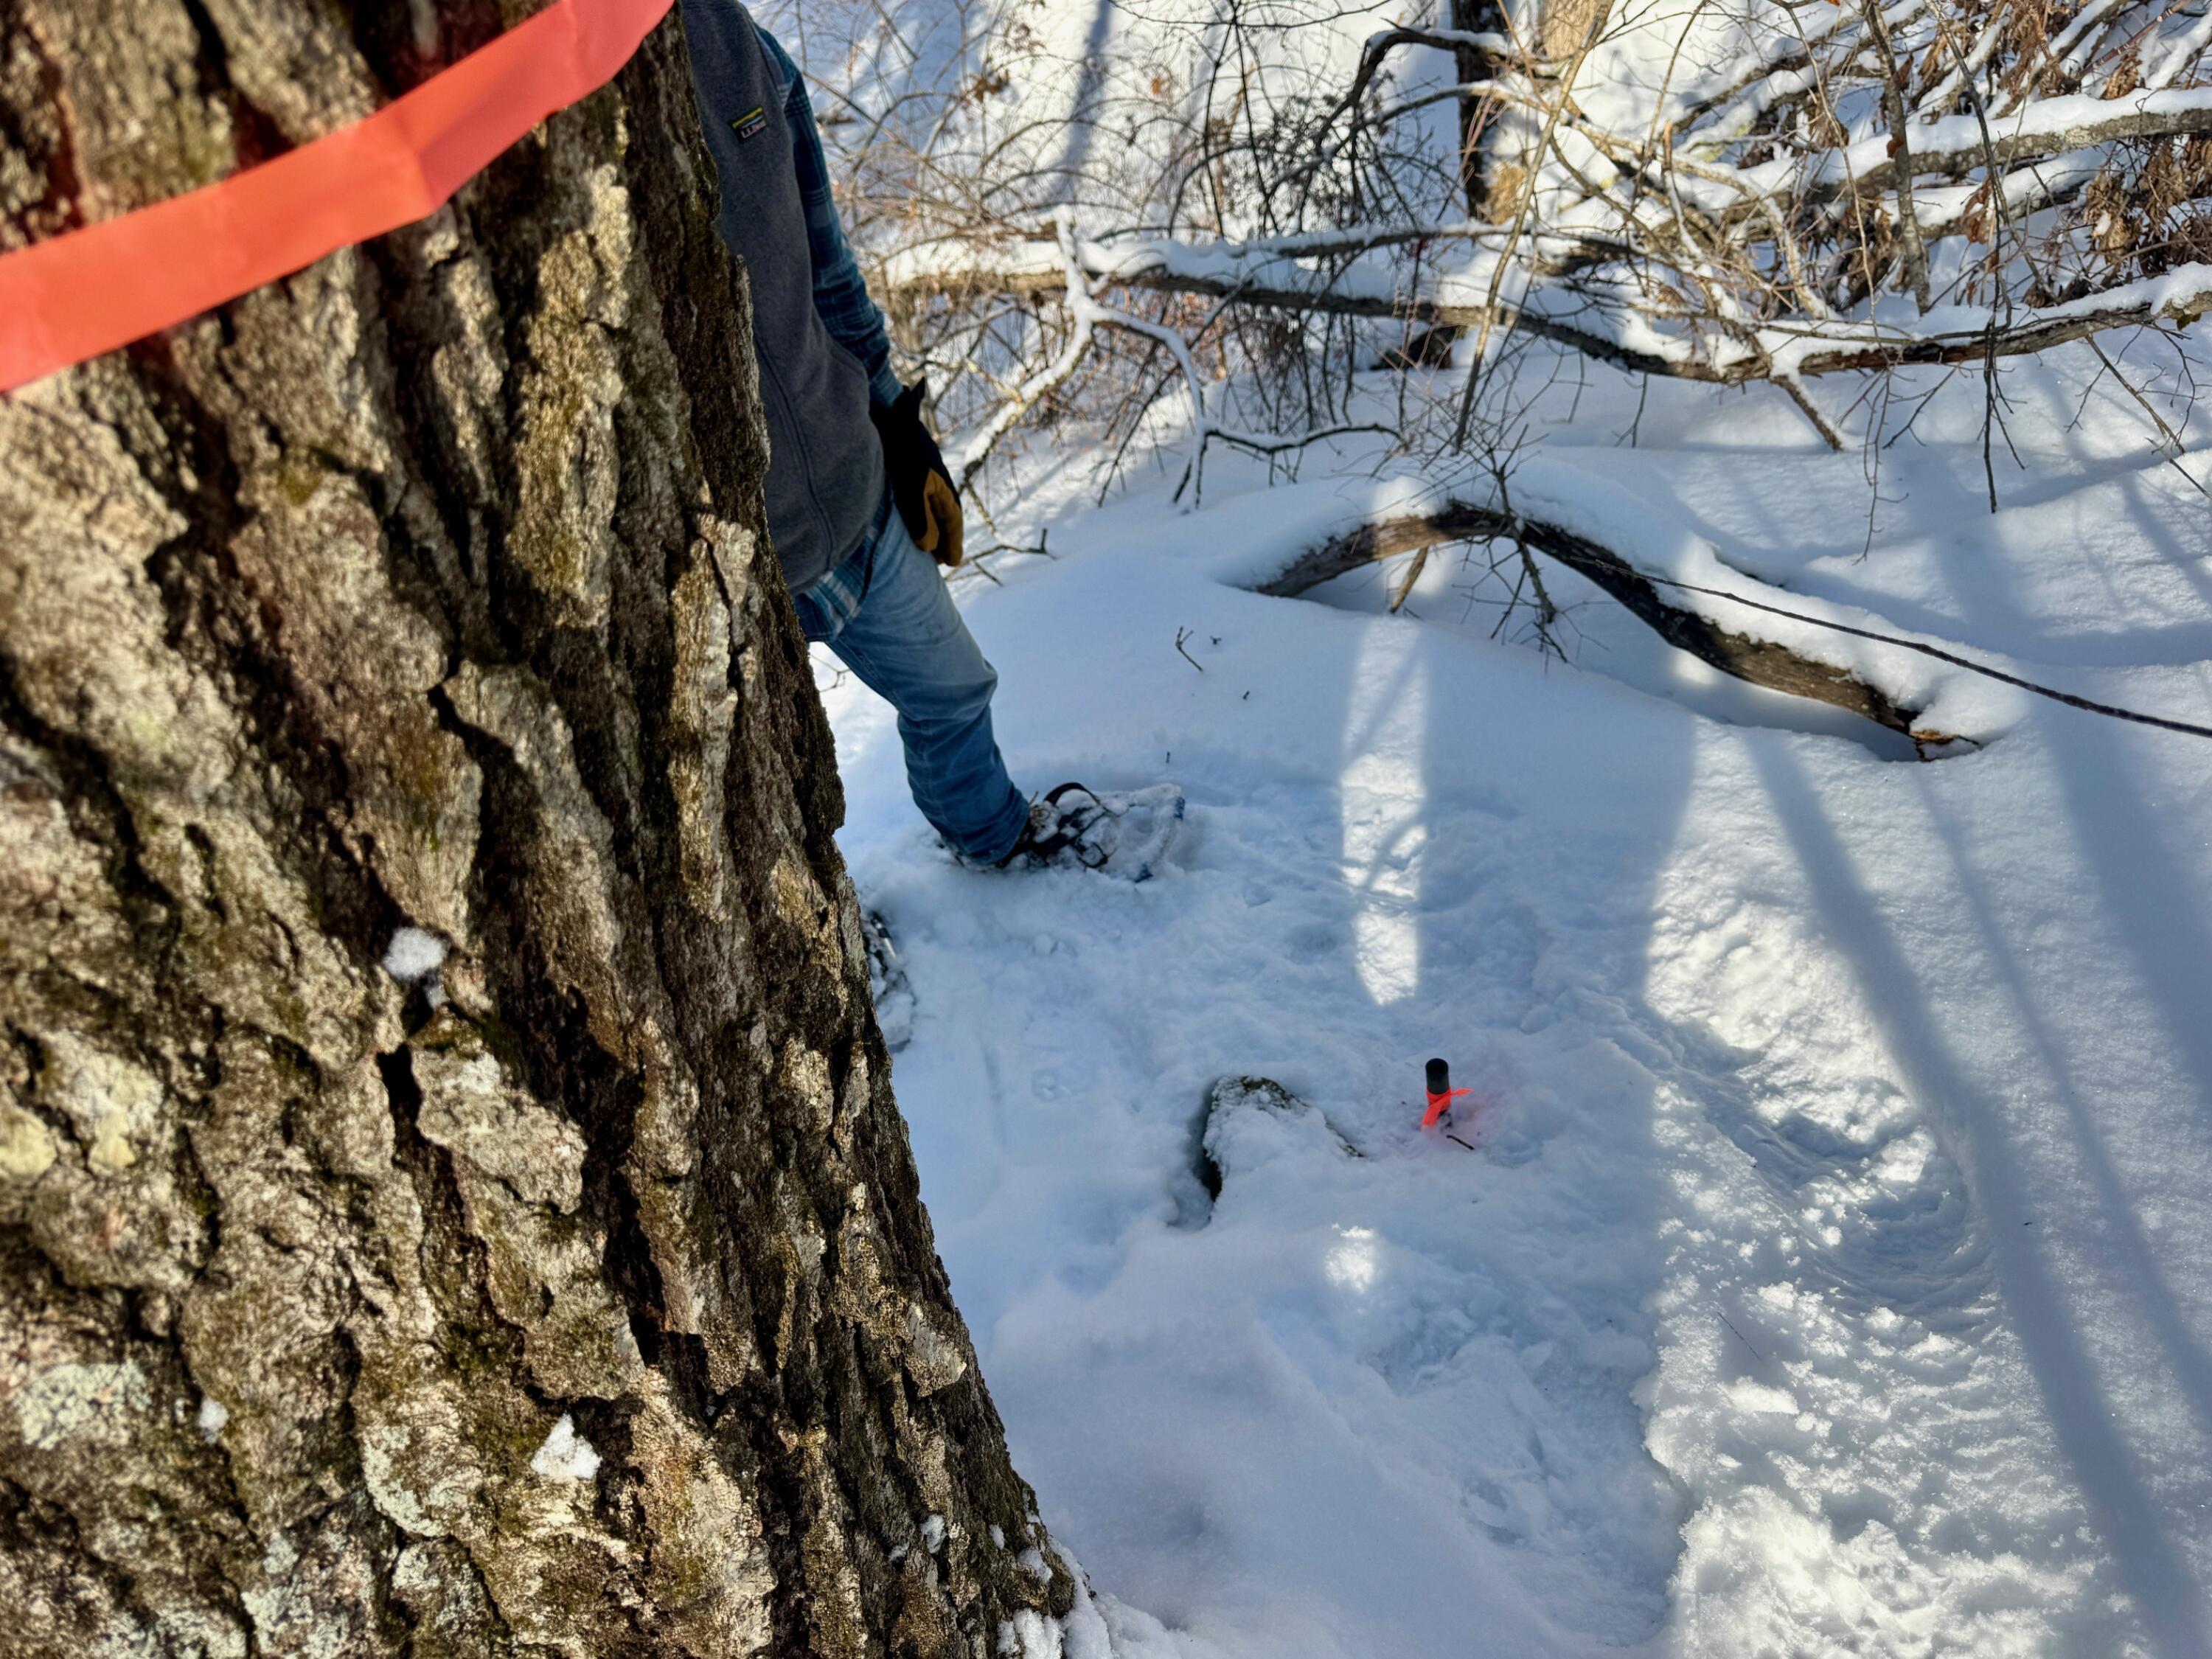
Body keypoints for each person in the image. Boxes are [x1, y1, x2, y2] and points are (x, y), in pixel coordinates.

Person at [678, 1, 1180, 877]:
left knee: (953, 692)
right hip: (713, 570)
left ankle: (996, 841)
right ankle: (825, 956)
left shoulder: (735, 45)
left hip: (852, 493)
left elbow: (829, 267)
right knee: (743, 805)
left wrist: (896, 424)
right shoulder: (558, 113)